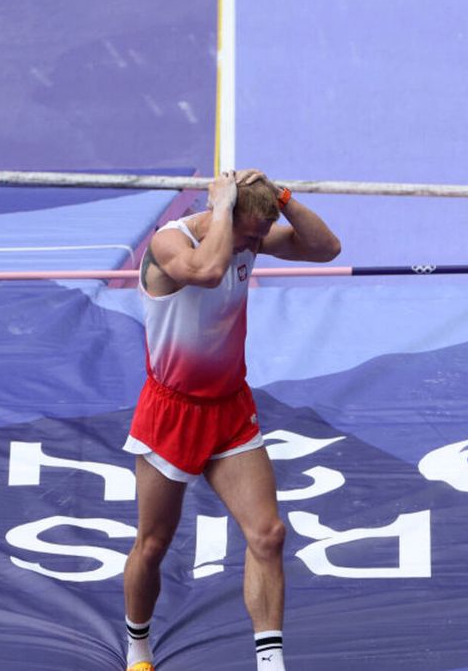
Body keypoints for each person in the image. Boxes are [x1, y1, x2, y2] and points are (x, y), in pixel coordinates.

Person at [120, 169, 341, 671]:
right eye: (249, 233)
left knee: (268, 534)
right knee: (152, 544)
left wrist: (282, 199)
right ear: (223, 212)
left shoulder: (247, 236)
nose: (255, 246)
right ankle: (137, 649)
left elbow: (325, 248)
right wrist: (221, 207)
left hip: (229, 410)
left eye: (259, 237)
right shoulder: (170, 243)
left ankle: (270, 662)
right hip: (171, 412)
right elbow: (206, 271)